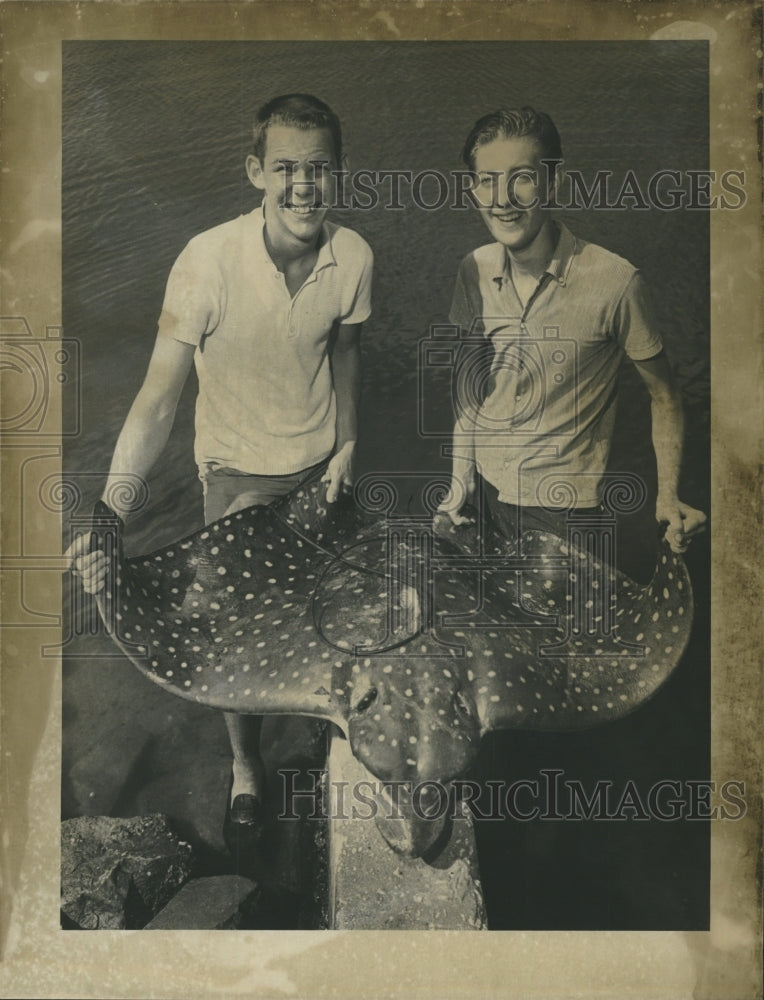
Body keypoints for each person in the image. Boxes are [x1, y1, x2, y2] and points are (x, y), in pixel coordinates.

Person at [68, 93, 373, 853]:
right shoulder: (205, 261)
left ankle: (323, 740)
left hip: (321, 478)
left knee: (331, 620)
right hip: (235, 477)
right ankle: (245, 769)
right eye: (285, 169)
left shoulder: (356, 257)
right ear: (254, 173)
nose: (303, 186)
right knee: (233, 642)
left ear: (338, 173)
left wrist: (349, 443)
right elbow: (158, 397)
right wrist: (111, 516)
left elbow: (346, 352)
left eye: (319, 169)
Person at [439, 106, 706, 552]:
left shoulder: (616, 282)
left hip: (565, 514)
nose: (502, 199)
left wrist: (668, 495)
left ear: (553, 182)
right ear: (473, 190)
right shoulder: (473, 269)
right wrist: (459, 478)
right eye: (487, 180)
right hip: (483, 492)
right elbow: (470, 382)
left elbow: (664, 394)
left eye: (521, 177)